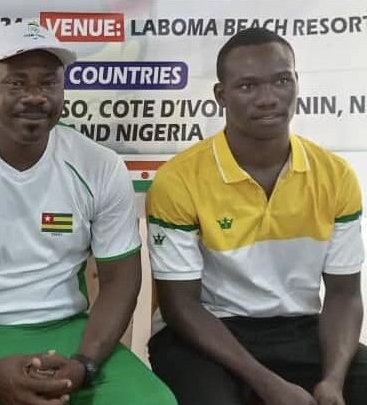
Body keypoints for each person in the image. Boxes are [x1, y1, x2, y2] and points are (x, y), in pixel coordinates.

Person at [0, 21, 175, 405]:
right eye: (17, 83)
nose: (35, 96)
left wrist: (84, 364)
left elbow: (121, 281)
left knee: (152, 401)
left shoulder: (100, 166)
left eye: (49, 83)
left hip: (67, 333)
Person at [147, 27, 366, 405]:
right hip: (205, 334)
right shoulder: (179, 179)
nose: (268, 98)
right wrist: (268, 384)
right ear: (221, 95)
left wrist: (333, 380)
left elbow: (344, 294)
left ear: (296, 83)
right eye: (248, 86)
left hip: (299, 331)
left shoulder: (335, 175)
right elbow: (180, 306)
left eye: (282, 80)